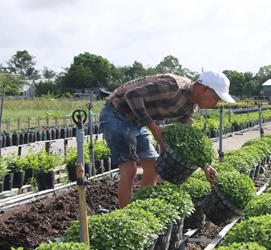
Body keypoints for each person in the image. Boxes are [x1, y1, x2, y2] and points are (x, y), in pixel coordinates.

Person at [100, 70, 235, 208]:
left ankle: (140, 209)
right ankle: (127, 217)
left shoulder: (190, 107)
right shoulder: (174, 86)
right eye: (216, 98)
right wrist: (153, 127)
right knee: (129, 170)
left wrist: (205, 167)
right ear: (205, 89)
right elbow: (133, 95)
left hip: (137, 120)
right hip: (116, 112)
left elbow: (184, 141)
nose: (215, 104)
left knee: (153, 168)